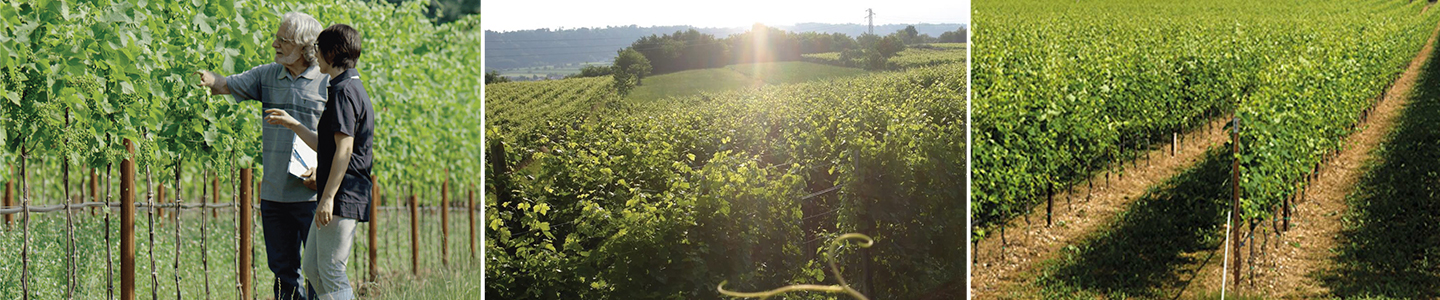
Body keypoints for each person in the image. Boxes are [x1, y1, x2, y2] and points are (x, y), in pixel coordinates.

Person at [196, 12, 326, 300]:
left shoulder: (327, 82)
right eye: (276, 38)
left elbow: (340, 139)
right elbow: (225, 84)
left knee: (319, 272)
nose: (274, 44)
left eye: (283, 40)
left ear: (305, 46)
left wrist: (324, 167)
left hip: (313, 197)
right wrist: (207, 79)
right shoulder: (268, 75)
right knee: (283, 274)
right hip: (274, 195)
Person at [265, 23, 373, 300]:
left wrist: (327, 199)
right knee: (313, 267)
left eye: (317, 49)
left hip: (343, 195)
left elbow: (344, 150)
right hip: (338, 193)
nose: (314, 55)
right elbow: (327, 147)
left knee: (331, 269)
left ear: (332, 52)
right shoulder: (345, 86)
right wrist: (294, 125)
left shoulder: (344, 92)